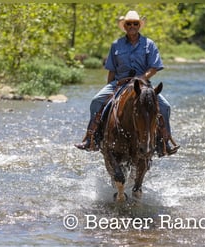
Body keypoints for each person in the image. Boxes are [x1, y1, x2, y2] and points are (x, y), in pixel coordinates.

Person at [75, 10, 179, 157]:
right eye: (129, 23)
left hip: (142, 84)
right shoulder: (116, 45)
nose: (132, 26)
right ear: (124, 26)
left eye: (135, 23)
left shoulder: (149, 44)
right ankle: (92, 138)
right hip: (120, 82)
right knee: (96, 101)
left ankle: (164, 142)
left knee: (165, 106)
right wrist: (109, 88)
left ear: (139, 26)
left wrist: (141, 78)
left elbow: (154, 67)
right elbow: (111, 69)